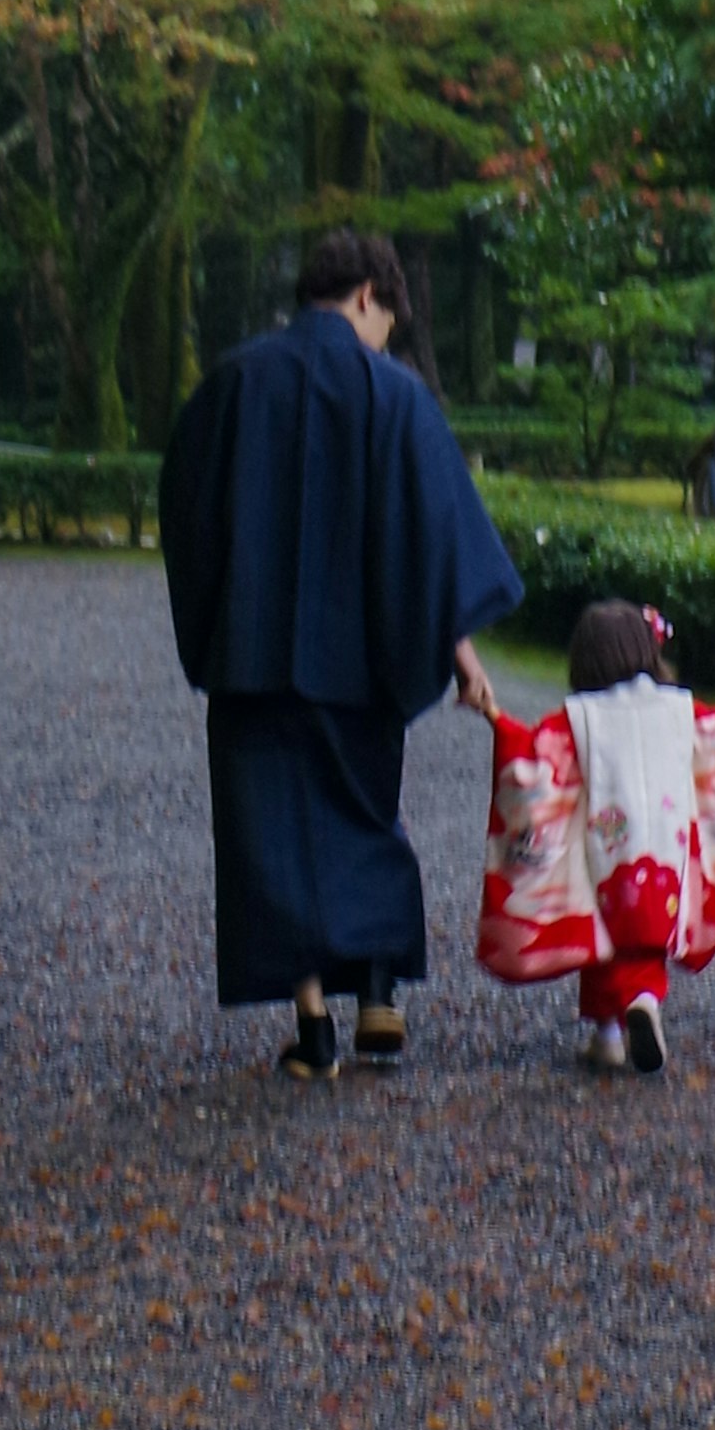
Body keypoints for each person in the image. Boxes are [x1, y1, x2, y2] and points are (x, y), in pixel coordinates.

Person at [157, 226, 519, 1075]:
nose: (386, 335)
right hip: (360, 661)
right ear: (367, 296)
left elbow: (185, 506)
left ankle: (313, 1019)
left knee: (270, 834)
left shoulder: (233, 383)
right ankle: (380, 994)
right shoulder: (393, 397)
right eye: (388, 318)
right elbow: (431, 537)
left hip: (251, 656)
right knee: (362, 818)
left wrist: (221, 621)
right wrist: (459, 652)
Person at [562, 596, 694, 1080]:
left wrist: (497, 718)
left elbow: (539, 755)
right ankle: (641, 1001)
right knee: (648, 933)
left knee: (600, 932)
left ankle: (609, 1034)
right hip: (663, 848)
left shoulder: (583, 715)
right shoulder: (677, 709)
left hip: (604, 853)